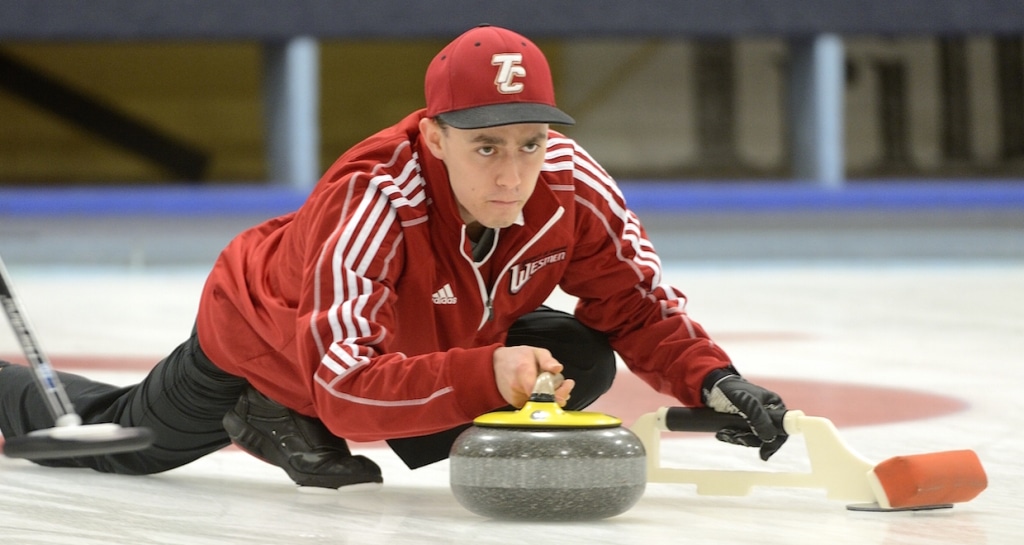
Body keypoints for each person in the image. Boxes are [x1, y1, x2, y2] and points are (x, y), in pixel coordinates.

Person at [0, 25, 787, 489]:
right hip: (266, 335)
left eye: (530, 142)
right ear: (434, 137)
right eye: (485, 146)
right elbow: (343, 386)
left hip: (415, 334)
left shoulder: (570, 182)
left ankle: (294, 414)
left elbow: (638, 304)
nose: (513, 172)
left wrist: (716, 381)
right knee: (125, 440)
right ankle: (262, 405)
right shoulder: (375, 197)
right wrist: (484, 373)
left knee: (580, 354)